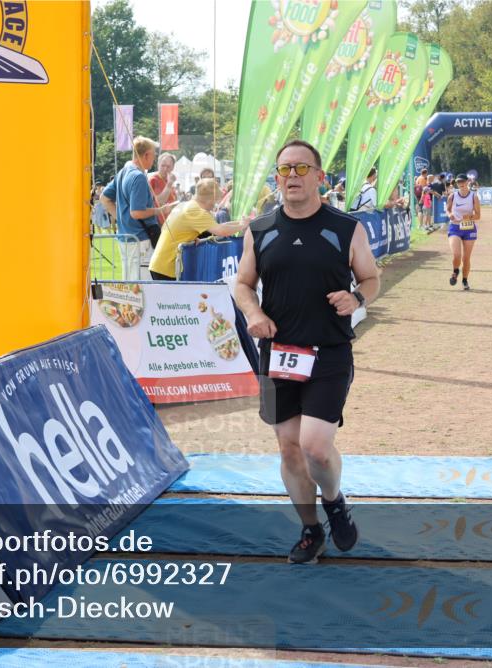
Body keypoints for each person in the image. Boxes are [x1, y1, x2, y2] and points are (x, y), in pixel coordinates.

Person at [234, 139, 379, 564]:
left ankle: (334, 502)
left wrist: (357, 298)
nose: (292, 177)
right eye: (284, 170)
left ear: (320, 176)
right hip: (277, 353)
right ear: (276, 178)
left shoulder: (346, 228)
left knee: (315, 446)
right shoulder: (259, 229)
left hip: (329, 352)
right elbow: (243, 284)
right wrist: (253, 312)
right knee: (289, 448)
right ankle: (310, 530)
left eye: (301, 169)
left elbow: (370, 278)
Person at [100, 137, 173, 280]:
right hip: (140, 240)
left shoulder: (123, 172)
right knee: (140, 286)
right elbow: (137, 212)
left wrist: (121, 220)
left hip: (127, 238)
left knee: (130, 282)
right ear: (146, 155)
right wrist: (160, 210)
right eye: (153, 155)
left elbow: (104, 198)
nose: (154, 159)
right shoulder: (138, 177)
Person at [149, 178, 248, 281]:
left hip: (160, 265)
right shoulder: (196, 212)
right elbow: (221, 231)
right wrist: (241, 226)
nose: (215, 206)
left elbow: (221, 226)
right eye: (215, 202)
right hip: (167, 268)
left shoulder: (185, 205)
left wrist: (241, 223)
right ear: (210, 200)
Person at [445, 173, 479, 290]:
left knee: (466, 258)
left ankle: (465, 280)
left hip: (469, 228)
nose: (461, 184)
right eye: (459, 182)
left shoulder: (473, 196)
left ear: (467, 182)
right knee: (457, 255)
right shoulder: (452, 196)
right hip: (455, 227)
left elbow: (478, 215)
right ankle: (455, 271)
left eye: (463, 182)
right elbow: (448, 210)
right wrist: (450, 215)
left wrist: (469, 217)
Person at [149, 153, 178, 225]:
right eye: (163, 165)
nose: (165, 169)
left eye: (168, 166)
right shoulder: (154, 179)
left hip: (170, 221)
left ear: (173, 167)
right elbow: (158, 201)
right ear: (158, 165)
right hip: (158, 223)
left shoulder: (168, 180)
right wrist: (169, 184)